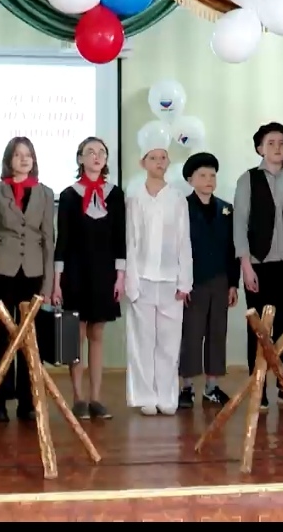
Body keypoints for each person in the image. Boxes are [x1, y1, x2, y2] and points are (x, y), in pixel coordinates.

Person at [0, 137, 55, 422]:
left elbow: (48, 240)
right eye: (18, 155)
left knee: (30, 339)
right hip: (0, 272)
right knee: (0, 338)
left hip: (33, 273)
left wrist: (48, 284)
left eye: (28, 155)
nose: (24, 159)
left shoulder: (45, 194)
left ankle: (28, 401)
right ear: (9, 160)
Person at [232, 122, 283, 410]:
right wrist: (245, 266)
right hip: (258, 265)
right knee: (258, 330)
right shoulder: (248, 180)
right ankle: (259, 389)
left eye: (282, 143)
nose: (277, 148)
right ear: (260, 148)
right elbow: (239, 225)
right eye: (270, 143)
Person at [52, 137, 126, 421]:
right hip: (74, 272)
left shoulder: (115, 194)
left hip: (104, 273)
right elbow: (62, 241)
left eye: (101, 152)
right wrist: (56, 282)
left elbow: (119, 238)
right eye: (90, 152)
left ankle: (96, 398)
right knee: (76, 335)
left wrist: (120, 277)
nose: (96, 156)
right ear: (80, 158)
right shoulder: (69, 195)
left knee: (97, 334)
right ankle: (78, 397)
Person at [125, 135, 192, 416]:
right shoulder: (134, 197)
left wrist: (185, 281)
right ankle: (145, 395)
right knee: (142, 340)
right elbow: (130, 241)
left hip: (170, 280)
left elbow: (184, 241)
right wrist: (131, 280)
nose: (159, 162)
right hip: (142, 278)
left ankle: (166, 395)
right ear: (143, 163)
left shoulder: (177, 198)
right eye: (153, 158)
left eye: (163, 157)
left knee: (169, 340)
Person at [178, 153, 239, 409]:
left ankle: (212, 386)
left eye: (212, 175)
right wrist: (181, 283)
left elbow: (233, 249)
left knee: (217, 333)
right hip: (193, 281)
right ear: (190, 179)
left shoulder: (226, 209)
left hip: (220, 280)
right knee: (191, 334)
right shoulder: (182, 207)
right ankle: (186, 387)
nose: (208, 180)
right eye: (202, 175)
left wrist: (233, 283)